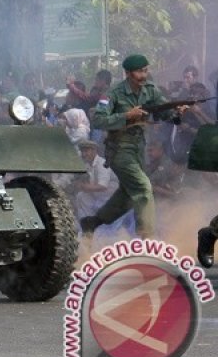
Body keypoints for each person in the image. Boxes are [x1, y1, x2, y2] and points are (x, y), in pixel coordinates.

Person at [80, 54, 188, 240]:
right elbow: (97, 120)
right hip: (119, 150)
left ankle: (93, 222)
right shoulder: (112, 94)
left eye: (146, 70)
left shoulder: (151, 90)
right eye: (140, 71)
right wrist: (126, 116)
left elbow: (165, 113)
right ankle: (147, 239)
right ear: (128, 73)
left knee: (128, 195)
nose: (144, 74)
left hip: (139, 148)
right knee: (143, 187)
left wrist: (176, 113)